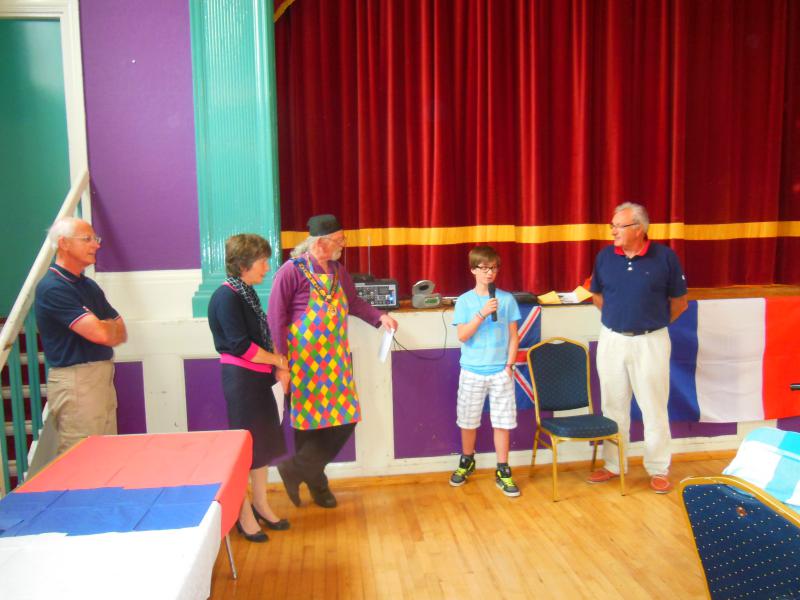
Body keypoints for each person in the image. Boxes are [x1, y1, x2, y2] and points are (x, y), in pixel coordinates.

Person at [267, 214, 398, 509]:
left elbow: (354, 303)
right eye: (339, 240)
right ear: (320, 243)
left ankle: (295, 469)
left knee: (345, 419)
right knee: (308, 426)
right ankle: (318, 486)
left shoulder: (338, 271)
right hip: (301, 363)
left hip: (335, 361)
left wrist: (380, 317)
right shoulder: (291, 271)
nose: (343, 244)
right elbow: (275, 317)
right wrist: (281, 365)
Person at [588, 202, 688, 493]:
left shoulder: (665, 258)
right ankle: (613, 464)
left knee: (653, 406)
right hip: (612, 340)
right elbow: (597, 295)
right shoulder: (605, 257)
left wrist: (651, 324)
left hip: (651, 341)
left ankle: (658, 468)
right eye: (613, 226)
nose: (613, 232)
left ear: (639, 229)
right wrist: (619, 321)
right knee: (612, 405)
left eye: (619, 226)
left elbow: (680, 303)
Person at [207, 234, 290, 542]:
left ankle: (261, 504)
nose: (267, 267)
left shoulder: (246, 293)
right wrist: (279, 360)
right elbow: (242, 346)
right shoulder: (226, 297)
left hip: (260, 379)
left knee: (262, 447)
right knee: (245, 452)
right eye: (262, 261)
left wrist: (276, 365)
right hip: (242, 381)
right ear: (244, 264)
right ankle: (243, 514)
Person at [35, 217, 127, 456]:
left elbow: (120, 331)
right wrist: (104, 328)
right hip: (77, 382)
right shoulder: (54, 288)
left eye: (95, 239)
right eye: (87, 239)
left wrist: (103, 328)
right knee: (82, 458)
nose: (96, 245)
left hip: (99, 378)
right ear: (63, 243)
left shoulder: (88, 286)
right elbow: (101, 334)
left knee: (106, 454)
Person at [449, 245, 521, 497]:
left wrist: (509, 366)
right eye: (484, 268)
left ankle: (502, 469)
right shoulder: (465, 301)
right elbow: (462, 335)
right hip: (472, 370)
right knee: (468, 420)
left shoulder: (507, 299)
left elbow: (514, 336)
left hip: (500, 371)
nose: (490, 273)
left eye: (494, 268)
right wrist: (482, 313)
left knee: (503, 422)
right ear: (473, 270)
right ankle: (467, 460)